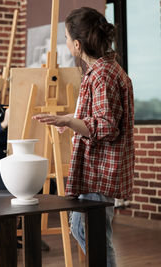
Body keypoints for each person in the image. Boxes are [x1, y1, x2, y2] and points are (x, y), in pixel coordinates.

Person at [33, 7, 134, 267]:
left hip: (99, 171)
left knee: (92, 233)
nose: (65, 43)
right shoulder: (104, 69)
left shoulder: (101, 74)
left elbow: (107, 126)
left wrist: (68, 120)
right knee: (83, 228)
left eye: (66, 38)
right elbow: (99, 116)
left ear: (77, 44)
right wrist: (72, 120)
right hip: (96, 170)